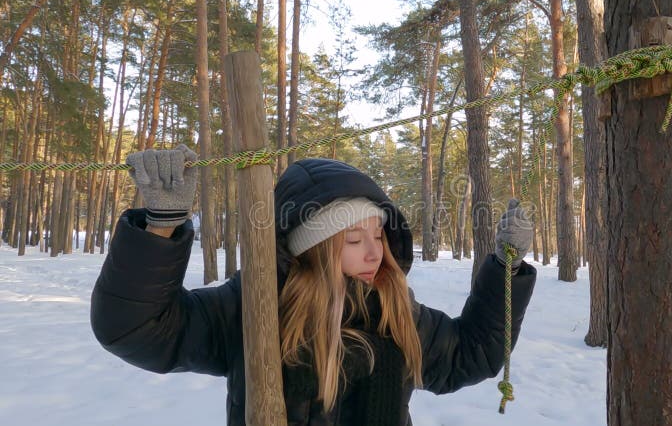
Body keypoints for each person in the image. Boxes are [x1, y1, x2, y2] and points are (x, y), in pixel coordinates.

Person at [91, 145, 536, 426]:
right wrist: (160, 232)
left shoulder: (395, 310)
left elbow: (470, 354)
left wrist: (505, 270)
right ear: (313, 249)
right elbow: (137, 330)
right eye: (353, 239)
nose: (373, 253)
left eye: (378, 236)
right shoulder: (258, 307)